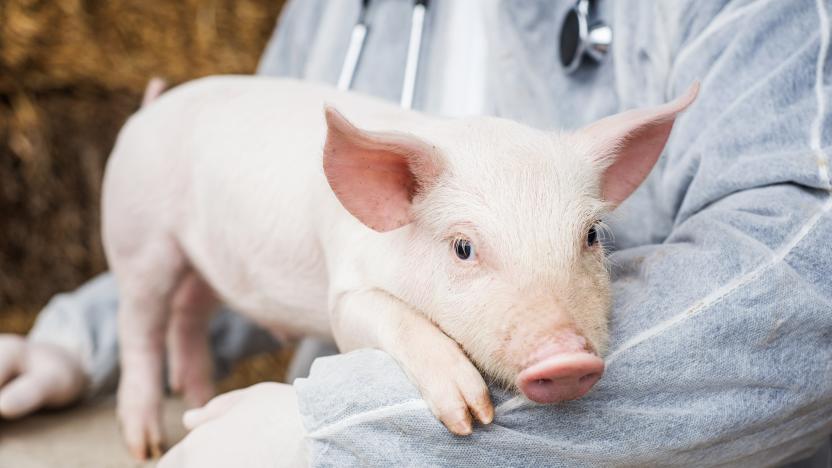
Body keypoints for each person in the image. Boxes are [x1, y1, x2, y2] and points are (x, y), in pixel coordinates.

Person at [1, 0, 831, 466]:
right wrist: (90, 340)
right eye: (467, 248)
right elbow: (240, 232)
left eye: (592, 239)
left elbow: (800, 273)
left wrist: (339, 427)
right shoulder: (330, 19)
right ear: (382, 184)